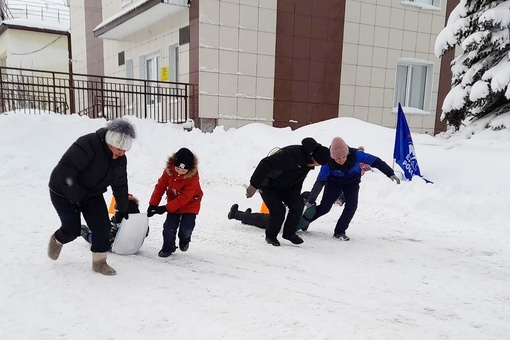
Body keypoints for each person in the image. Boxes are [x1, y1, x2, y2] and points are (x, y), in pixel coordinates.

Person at [47, 118, 136, 276]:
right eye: (119, 149)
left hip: (91, 193)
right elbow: (65, 171)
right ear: (111, 141)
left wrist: (123, 208)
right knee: (71, 230)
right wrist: (78, 197)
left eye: (125, 150)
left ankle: (99, 262)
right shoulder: (88, 144)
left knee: (103, 227)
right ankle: (57, 239)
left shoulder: (120, 159)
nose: (122, 153)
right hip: (63, 190)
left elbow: (120, 184)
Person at [303, 137, 400, 241]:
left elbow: (376, 161)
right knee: (325, 208)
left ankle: (339, 232)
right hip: (333, 184)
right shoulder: (328, 162)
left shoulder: (356, 154)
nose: (341, 160)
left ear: (347, 153)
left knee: (351, 206)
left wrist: (390, 173)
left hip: (352, 183)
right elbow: (320, 182)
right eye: (338, 158)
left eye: (344, 157)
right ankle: (304, 221)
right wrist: (311, 200)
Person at [246, 137, 330, 246]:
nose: (317, 166)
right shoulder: (291, 154)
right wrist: (254, 185)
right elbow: (265, 163)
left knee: (298, 205)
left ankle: (289, 233)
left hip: (286, 187)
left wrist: (295, 196)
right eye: (318, 163)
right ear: (314, 158)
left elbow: (298, 180)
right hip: (268, 185)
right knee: (278, 211)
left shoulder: (307, 162)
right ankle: (271, 236)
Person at [147, 147, 203, 257]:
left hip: (191, 202)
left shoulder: (193, 177)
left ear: (189, 168)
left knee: (186, 227)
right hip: (173, 201)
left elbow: (185, 197)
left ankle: (185, 239)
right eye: (178, 169)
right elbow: (160, 187)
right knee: (169, 227)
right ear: (174, 165)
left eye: (183, 170)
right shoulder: (168, 172)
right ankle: (168, 247)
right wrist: (153, 204)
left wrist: (165, 208)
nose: (180, 172)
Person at [228, 192, 311, 229]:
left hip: (278, 222)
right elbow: (305, 227)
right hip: (287, 228)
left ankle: (235, 214)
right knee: (259, 220)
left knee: (259, 218)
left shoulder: (296, 204)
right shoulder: (311, 210)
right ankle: (245, 219)